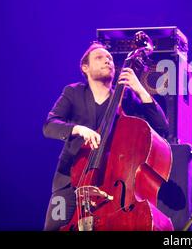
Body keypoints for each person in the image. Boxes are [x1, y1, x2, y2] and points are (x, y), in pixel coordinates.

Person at [42, 42, 169, 231]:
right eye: (99, 58)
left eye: (109, 58)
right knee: (53, 227)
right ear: (85, 68)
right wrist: (78, 129)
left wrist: (140, 89)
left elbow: (162, 127)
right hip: (69, 182)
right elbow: (49, 126)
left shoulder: (124, 98)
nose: (107, 60)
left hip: (110, 182)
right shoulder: (73, 92)